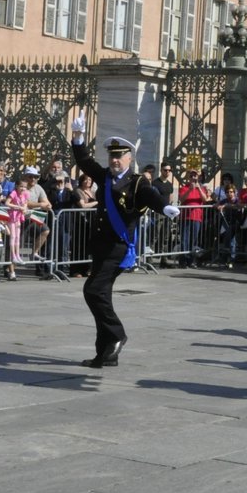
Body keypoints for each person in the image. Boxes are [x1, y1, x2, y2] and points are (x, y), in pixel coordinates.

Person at [68, 118, 178, 367]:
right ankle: (105, 354)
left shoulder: (138, 181)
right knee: (101, 293)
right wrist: (78, 139)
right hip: (100, 244)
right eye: (112, 156)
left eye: (120, 156)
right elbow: (85, 162)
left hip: (118, 246)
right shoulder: (105, 176)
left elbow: (150, 196)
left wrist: (165, 206)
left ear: (130, 158)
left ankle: (117, 335)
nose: (115, 160)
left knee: (93, 291)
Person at [176, 168, 211, 268]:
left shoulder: (202, 188)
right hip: (185, 217)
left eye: (194, 176)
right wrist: (190, 189)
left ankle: (191, 260)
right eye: (191, 176)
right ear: (188, 177)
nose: (193, 177)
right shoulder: (184, 188)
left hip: (197, 217)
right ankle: (183, 261)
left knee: (194, 240)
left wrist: (198, 188)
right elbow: (182, 200)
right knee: (184, 240)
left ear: (198, 177)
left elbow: (205, 200)